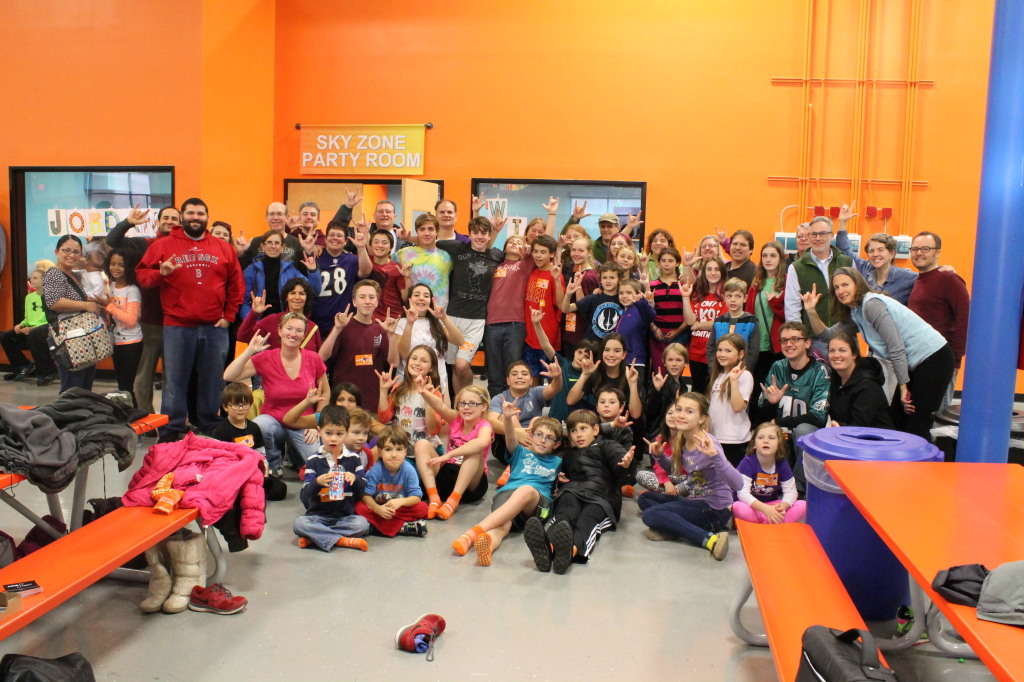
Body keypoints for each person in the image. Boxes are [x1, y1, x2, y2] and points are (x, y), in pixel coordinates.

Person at [802, 267, 954, 441]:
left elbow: (895, 346)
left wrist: (904, 385)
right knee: (898, 418)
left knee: (917, 422)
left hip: (934, 357)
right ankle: (897, 464)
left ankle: (921, 465)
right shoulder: (856, 312)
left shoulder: (871, 305)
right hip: (916, 363)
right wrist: (811, 311)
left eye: (845, 284)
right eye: (836, 287)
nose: (841, 291)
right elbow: (828, 336)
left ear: (857, 284)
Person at [136, 197, 244, 441]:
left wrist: (228, 316)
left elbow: (237, 285)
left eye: (200, 214)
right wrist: (159, 274)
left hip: (215, 327)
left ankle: (209, 422)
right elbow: (142, 276)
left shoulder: (223, 247)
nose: (196, 217)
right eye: (191, 213)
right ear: (182, 216)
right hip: (177, 326)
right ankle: (171, 427)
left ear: (207, 217)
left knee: (213, 380)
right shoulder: (163, 245)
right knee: (174, 380)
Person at [451, 398, 563, 567]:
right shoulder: (521, 453)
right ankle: (487, 546)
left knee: (526, 490)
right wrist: (508, 418)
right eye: (539, 435)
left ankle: (470, 534)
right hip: (508, 496)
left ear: (557, 444)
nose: (542, 440)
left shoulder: (557, 461)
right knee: (501, 527)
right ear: (530, 436)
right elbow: (510, 438)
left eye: (549, 438)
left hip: (538, 505)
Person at [522, 409, 634, 574]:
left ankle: (570, 551)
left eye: (583, 429)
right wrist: (560, 479)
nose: (578, 435)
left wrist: (626, 465)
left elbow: (625, 473)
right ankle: (549, 548)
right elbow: (563, 475)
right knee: (564, 515)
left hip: (601, 497)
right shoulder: (568, 455)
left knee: (587, 519)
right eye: (573, 430)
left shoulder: (609, 446)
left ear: (595, 430)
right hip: (573, 491)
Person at [638, 392, 742, 560]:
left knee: (650, 515)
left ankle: (710, 540)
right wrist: (659, 456)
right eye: (679, 409)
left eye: (689, 411)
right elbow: (674, 469)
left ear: (702, 418)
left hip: (715, 510)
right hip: (696, 502)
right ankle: (676, 526)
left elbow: (738, 484)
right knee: (645, 499)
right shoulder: (684, 439)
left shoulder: (708, 444)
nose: (680, 415)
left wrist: (715, 456)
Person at [223, 312, 329, 475]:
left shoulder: (313, 358)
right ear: (280, 331)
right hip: (273, 421)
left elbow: (325, 392)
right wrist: (249, 351)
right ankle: (273, 464)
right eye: (289, 328)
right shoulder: (266, 357)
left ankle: (293, 455)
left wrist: (316, 422)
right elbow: (229, 375)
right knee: (260, 425)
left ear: (304, 335)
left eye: (299, 330)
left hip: (302, 422)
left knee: (319, 467)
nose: (293, 334)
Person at [107, 204, 180, 413]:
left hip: (177, 323)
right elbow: (112, 241)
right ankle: (146, 419)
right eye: (166, 217)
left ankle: (171, 420)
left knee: (174, 377)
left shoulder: (185, 249)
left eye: (174, 219)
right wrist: (127, 223)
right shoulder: (144, 245)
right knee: (143, 377)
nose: (169, 221)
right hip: (149, 322)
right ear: (158, 222)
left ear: (180, 223)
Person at [756, 321, 830, 489]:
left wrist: (781, 423)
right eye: (784, 340)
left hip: (802, 434)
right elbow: (763, 413)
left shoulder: (820, 371)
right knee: (762, 430)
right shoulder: (777, 367)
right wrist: (772, 404)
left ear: (808, 342)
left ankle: (799, 488)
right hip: (779, 434)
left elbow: (818, 417)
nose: (789, 344)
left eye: (795, 339)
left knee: (804, 430)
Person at [437, 215, 505, 395]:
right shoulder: (459, 247)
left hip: (476, 320)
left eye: (484, 233)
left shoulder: (496, 255)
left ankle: (470, 397)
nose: (480, 236)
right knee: (453, 366)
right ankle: (460, 405)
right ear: (469, 234)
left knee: (462, 364)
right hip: (452, 317)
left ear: (490, 235)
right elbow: (431, 242)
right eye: (475, 233)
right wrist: (408, 237)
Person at [293, 405, 371, 552]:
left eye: (339, 434)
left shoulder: (353, 459)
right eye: (328, 433)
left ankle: (315, 537)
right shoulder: (313, 460)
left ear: (346, 433)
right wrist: (317, 482)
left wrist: (354, 478)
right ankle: (342, 540)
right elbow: (305, 495)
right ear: (319, 431)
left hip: (344, 517)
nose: (333, 438)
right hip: (317, 516)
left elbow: (363, 489)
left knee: (362, 524)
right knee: (299, 524)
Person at [907, 231, 969, 409]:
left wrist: (956, 359)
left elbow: (964, 318)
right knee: (920, 412)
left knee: (936, 413)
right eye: (915, 249)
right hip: (920, 360)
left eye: (925, 249)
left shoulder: (949, 279)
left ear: (938, 252)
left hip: (942, 360)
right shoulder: (918, 280)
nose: (919, 253)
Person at [413, 384, 493, 520]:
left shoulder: (484, 426)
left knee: (474, 450)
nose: (466, 407)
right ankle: (434, 498)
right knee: (421, 444)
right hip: (449, 474)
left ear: (483, 407)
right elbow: (440, 407)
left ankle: (452, 502)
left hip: (472, 484)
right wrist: (424, 392)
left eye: (473, 403)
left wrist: (449, 455)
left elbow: (482, 442)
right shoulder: (456, 419)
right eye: (463, 403)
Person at [317, 279, 396, 410]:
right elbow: (321, 357)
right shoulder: (342, 326)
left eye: (371, 297)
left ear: (377, 302)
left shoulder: (381, 329)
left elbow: (394, 362)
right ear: (354, 301)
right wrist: (337, 329)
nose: (367, 301)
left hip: (372, 404)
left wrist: (391, 335)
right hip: (343, 404)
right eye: (362, 297)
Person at [783, 214, 853, 356]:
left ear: (832, 236)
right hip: (814, 341)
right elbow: (792, 308)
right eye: (814, 234)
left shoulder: (847, 262)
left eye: (823, 234)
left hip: (846, 336)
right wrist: (799, 339)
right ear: (808, 237)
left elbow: (857, 299)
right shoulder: (796, 267)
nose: (818, 238)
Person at [41, 235, 99, 391]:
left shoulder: (75, 274)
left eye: (76, 252)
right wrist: (86, 306)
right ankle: (68, 415)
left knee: (83, 387)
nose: (71, 255)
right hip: (67, 340)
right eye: (66, 250)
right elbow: (54, 302)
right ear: (56, 251)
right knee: (72, 389)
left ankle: (80, 414)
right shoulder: (54, 274)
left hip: (80, 338)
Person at [393, 283, 463, 403]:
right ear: (409, 299)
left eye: (425, 296)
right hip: (409, 383)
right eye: (416, 295)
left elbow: (459, 340)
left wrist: (444, 318)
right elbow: (403, 353)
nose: (421, 298)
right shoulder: (402, 322)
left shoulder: (436, 323)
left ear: (430, 301)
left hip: (437, 381)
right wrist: (409, 323)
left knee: (440, 420)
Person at [834, 202, 917, 304]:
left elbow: (930, 282)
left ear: (892, 254)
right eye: (871, 251)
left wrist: (941, 270)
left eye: (880, 250)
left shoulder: (908, 278)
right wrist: (843, 222)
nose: (875, 254)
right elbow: (844, 249)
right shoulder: (864, 269)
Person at [353, 426, 429, 538]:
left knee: (423, 508)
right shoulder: (375, 471)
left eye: (398, 449)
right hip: (379, 509)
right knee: (358, 507)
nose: (394, 455)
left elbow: (416, 497)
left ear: (405, 452)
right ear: (380, 452)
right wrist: (377, 509)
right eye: (388, 449)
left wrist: (401, 502)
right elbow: (366, 496)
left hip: (399, 509)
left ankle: (375, 528)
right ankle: (402, 527)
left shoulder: (409, 470)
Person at [484, 235, 535, 399]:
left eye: (519, 242)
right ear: (504, 248)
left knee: (513, 370)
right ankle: (495, 410)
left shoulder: (525, 264)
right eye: (511, 242)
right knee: (494, 372)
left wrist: (528, 253)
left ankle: (514, 408)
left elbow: (543, 246)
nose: (515, 244)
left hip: (515, 325)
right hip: (492, 324)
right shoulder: (496, 265)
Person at [731, 423, 806, 524]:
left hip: (772, 506)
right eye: (761, 438)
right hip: (753, 508)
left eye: (771, 438)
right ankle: (774, 522)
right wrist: (765, 509)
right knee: (738, 507)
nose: (766, 441)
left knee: (803, 505)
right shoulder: (748, 463)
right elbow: (743, 494)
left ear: (779, 444)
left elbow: (791, 491)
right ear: (754, 444)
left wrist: (783, 506)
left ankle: (770, 521)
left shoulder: (782, 463)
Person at [95, 248, 143, 402]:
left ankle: (134, 418)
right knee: (122, 386)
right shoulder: (113, 286)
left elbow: (130, 321)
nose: (115, 268)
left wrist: (109, 306)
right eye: (113, 264)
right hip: (117, 341)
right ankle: (127, 417)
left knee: (127, 387)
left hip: (132, 343)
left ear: (128, 267)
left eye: (121, 265)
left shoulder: (132, 290)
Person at [239, 232, 320, 321]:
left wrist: (313, 271)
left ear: (282, 247)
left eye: (277, 243)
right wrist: (251, 321)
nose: (273, 246)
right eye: (269, 242)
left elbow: (313, 291)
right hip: (259, 323)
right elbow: (244, 302)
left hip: (284, 323)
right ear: (262, 246)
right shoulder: (251, 270)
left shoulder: (290, 270)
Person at [311, 219, 373, 336]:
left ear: (345, 241)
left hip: (345, 320)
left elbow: (366, 272)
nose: (335, 238)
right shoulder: (315, 257)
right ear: (325, 239)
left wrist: (361, 247)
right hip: (318, 319)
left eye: (339, 235)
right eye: (332, 235)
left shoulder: (351, 260)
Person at [377, 345, 444, 452]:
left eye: (424, 361)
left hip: (425, 451)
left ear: (431, 368)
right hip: (401, 448)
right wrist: (383, 390)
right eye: (414, 358)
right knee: (378, 450)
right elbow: (384, 418)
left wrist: (427, 400)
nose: (417, 363)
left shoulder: (433, 393)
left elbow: (433, 430)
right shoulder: (398, 388)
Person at [746, 240, 787, 411]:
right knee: (757, 388)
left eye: (772, 255)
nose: (768, 259)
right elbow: (749, 312)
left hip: (778, 345)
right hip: (758, 344)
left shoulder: (786, 281)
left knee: (776, 388)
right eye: (764, 256)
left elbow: (789, 315)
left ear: (780, 258)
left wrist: (775, 303)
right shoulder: (757, 283)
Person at [567, 333, 643, 420]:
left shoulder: (630, 375)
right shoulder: (595, 373)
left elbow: (636, 414)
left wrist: (632, 384)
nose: (611, 354)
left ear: (624, 355)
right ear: (602, 352)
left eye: (617, 351)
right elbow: (570, 400)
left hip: (627, 428)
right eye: (607, 350)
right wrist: (584, 374)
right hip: (602, 427)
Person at [1, 270, 58, 386]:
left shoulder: (50, 297)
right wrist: (20, 325)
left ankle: (47, 372)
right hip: (29, 327)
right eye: (31, 278)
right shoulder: (29, 297)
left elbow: (50, 319)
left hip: (43, 329)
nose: (31, 280)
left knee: (34, 335)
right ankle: (22, 365)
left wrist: (32, 328)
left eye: (35, 278)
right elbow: (28, 318)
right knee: (5, 337)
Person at [826, 332, 894, 428]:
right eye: (832, 351)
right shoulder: (835, 380)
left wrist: (839, 426)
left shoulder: (868, 385)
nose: (836, 355)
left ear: (854, 354)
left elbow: (860, 426)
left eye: (842, 350)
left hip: (878, 440)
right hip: (845, 436)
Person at [706, 334, 753, 466]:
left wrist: (733, 381)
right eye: (719, 350)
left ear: (741, 354)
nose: (722, 354)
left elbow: (738, 406)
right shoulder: (717, 375)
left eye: (728, 351)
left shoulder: (745, 376)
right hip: (716, 438)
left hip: (735, 440)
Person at [681, 256, 726, 393]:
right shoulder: (697, 294)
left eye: (717, 269)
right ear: (704, 272)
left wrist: (699, 325)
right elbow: (690, 321)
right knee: (697, 392)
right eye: (709, 269)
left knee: (714, 393)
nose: (713, 273)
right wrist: (685, 297)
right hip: (696, 352)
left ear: (722, 272)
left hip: (716, 354)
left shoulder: (726, 294)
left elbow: (722, 322)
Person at [238, 277, 322, 351]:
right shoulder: (273, 320)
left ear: (307, 298)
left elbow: (319, 360)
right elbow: (242, 337)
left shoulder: (313, 328)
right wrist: (254, 314)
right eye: (292, 293)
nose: (297, 297)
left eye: (302, 294)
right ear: (286, 297)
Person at [523, 235, 565, 380]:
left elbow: (561, 305)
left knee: (550, 384)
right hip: (530, 339)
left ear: (552, 254)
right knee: (532, 380)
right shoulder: (533, 273)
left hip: (548, 341)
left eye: (543, 252)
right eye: (535, 251)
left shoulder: (555, 275)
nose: (538, 255)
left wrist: (557, 280)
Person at [396, 213, 453, 308]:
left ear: (437, 231)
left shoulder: (447, 256)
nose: (427, 233)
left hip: (439, 315)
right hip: (413, 313)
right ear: (417, 231)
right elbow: (378, 258)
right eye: (422, 229)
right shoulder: (402, 254)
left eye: (431, 229)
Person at [237, 202, 313, 269]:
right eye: (271, 214)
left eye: (279, 214)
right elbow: (243, 273)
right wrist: (240, 255)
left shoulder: (297, 243)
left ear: (287, 218)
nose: (275, 218)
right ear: (266, 217)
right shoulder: (255, 242)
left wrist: (308, 253)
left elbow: (305, 274)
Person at [648, 247, 688, 375]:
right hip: (657, 335)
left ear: (677, 263)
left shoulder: (683, 285)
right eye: (663, 260)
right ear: (658, 263)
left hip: (680, 335)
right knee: (659, 371)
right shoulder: (652, 285)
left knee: (675, 373)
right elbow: (646, 312)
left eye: (670, 260)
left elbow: (690, 313)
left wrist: (678, 331)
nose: (666, 264)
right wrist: (654, 329)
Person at [561, 236, 601, 359]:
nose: (576, 254)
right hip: (571, 330)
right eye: (574, 250)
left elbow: (586, 308)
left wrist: (578, 289)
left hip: (581, 333)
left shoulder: (589, 276)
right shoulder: (578, 272)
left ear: (589, 253)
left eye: (581, 250)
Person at [562, 262, 626, 340]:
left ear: (619, 280)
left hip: (613, 345)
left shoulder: (623, 300)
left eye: (612, 278)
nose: (608, 281)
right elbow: (566, 309)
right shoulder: (593, 298)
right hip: (592, 345)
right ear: (600, 280)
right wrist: (568, 294)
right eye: (604, 278)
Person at [706, 277, 759, 371]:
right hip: (719, 371)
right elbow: (711, 347)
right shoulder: (718, 321)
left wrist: (745, 370)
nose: (733, 300)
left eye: (737, 296)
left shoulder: (751, 321)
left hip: (742, 371)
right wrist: (713, 369)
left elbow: (753, 351)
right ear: (724, 298)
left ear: (745, 298)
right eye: (729, 296)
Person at [614, 279, 655, 368]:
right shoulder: (624, 312)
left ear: (638, 293)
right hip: (622, 360)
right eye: (621, 293)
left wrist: (641, 302)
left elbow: (651, 315)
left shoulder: (639, 310)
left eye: (629, 293)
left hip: (635, 361)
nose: (624, 296)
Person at [367, 229, 406, 320]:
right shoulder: (364, 262)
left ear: (391, 247)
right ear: (371, 245)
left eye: (384, 243)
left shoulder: (397, 269)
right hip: (370, 320)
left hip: (393, 319)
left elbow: (405, 298)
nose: (380, 245)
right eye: (376, 242)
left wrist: (407, 277)